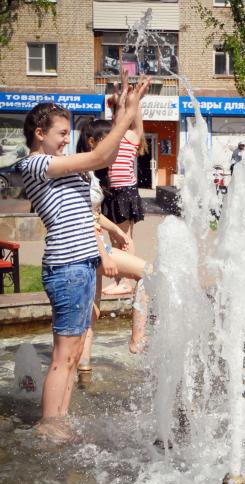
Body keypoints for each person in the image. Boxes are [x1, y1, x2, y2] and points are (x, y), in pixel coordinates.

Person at [20, 72, 151, 442]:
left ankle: (60, 420)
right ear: (39, 133)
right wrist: (127, 114)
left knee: (75, 353)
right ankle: (49, 426)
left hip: (80, 264)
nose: (66, 139)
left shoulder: (55, 165)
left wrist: (126, 107)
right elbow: (98, 154)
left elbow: (94, 182)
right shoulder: (36, 165)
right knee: (63, 357)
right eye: (61, 133)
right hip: (67, 267)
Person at [75, 118, 151, 378]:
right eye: (112, 144)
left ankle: (83, 364)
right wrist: (103, 251)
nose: (117, 150)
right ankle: (137, 339)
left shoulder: (90, 174)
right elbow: (85, 218)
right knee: (147, 273)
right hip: (88, 248)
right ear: (92, 143)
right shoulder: (81, 173)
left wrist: (116, 230)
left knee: (92, 308)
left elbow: (93, 213)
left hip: (93, 245)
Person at [101, 88, 146, 296]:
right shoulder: (112, 137)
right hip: (112, 192)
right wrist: (119, 100)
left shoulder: (132, 137)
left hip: (126, 192)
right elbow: (117, 116)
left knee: (125, 238)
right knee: (114, 238)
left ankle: (127, 281)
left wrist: (134, 99)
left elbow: (134, 117)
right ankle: (122, 280)